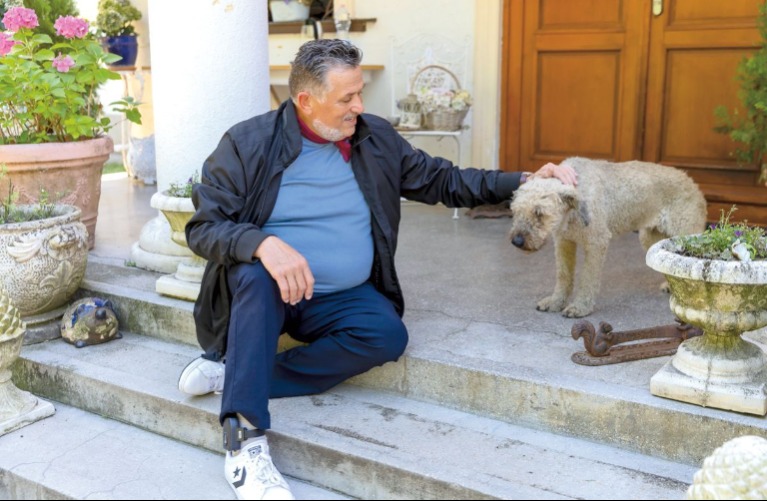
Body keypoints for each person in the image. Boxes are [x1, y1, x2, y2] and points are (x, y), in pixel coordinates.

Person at [179, 39, 578, 501]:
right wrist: (262, 244)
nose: (359, 107)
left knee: (387, 335)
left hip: (339, 297)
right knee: (253, 272)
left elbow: (443, 180)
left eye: (360, 93)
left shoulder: (374, 138)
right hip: (269, 293)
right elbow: (204, 228)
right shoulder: (246, 143)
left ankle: (236, 376)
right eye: (346, 98)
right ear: (306, 100)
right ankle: (244, 442)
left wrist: (526, 180)